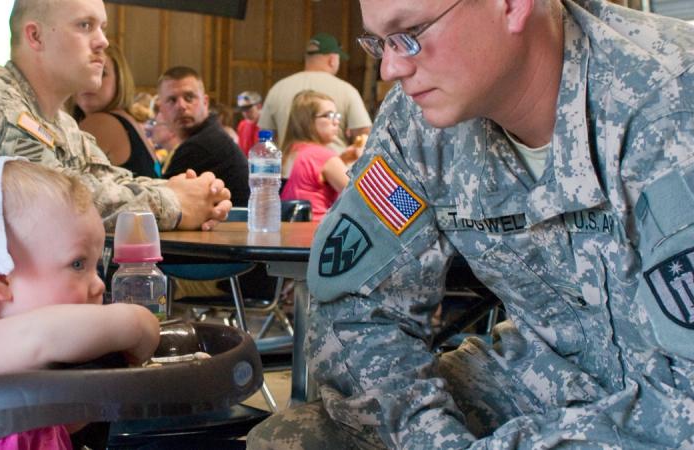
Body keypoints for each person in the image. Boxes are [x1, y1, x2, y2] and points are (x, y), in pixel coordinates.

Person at [248, 0, 694, 448]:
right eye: (379, 42)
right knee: (293, 439)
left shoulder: (671, 99)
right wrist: (436, 441)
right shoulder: (417, 125)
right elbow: (357, 315)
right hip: (547, 379)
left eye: (411, 33)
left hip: (673, 405)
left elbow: (682, 408)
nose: (390, 68)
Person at [0, 0, 231, 332]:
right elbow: (67, 210)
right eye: (85, 26)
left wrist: (191, 194)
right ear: (35, 36)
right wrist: (176, 203)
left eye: (102, 27)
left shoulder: (59, 121)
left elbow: (108, 180)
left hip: (0, 328)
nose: (102, 41)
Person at [0, 157, 160, 449]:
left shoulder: (29, 356)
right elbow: (41, 337)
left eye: (96, 266)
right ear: (0, 280)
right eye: (77, 264)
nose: (99, 283)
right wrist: (136, 323)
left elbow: (63, 419)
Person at [258, 32, 372, 153]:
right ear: (332, 60)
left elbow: (265, 136)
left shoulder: (277, 89)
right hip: (333, 166)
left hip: (291, 167)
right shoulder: (347, 90)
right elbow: (363, 135)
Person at [157, 66, 250, 206]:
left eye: (189, 98)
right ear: (161, 109)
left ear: (205, 102)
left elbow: (161, 204)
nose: (181, 106)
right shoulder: (209, 134)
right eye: (172, 100)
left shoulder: (201, 145)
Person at [72, 44, 157, 177]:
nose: (90, 80)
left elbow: (64, 185)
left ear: (119, 79)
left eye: (101, 72)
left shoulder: (101, 123)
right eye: (82, 71)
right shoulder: (126, 119)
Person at [280, 90, 351, 221]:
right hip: (316, 233)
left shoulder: (288, 151)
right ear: (306, 121)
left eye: (336, 115)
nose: (336, 122)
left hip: (288, 233)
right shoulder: (322, 155)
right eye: (328, 115)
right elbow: (362, 195)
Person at [236, 90, 262, 156]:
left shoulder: (265, 125)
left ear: (259, 106)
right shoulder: (242, 125)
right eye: (242, 109)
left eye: (247, 108)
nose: (245, 112)